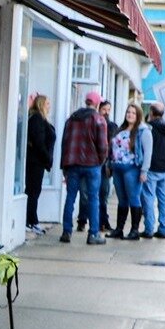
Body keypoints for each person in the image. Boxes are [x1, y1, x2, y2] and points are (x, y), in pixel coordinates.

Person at [59, 90, 110, 245]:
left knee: (70, 197)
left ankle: (66, 231)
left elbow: (65, 143)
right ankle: (93, 233)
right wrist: (101, 161)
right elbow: (103, 146)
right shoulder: (98, 120)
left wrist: (65, 166)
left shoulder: (72, 119)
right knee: (94, 198)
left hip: (73, 164)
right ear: (97, 104)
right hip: (92, 164)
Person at [108, 102, 148, 240]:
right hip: (117, 168)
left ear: (138, 116)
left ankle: (134, 230)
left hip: (132, 169)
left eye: (133, 113)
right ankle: (119, 229)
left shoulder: (143, 131)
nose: (130, 115)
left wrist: (144, 171)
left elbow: (148, 153)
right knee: (122, 199)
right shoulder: (120, 129)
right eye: (128, 112)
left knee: (133, 198)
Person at [140, 102, 165, 239]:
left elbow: (143, 148)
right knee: (164, 200)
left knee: (148, 198)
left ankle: (149, 228)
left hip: (151, 168)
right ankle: (163, 229)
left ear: (151, 112)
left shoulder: (149, 129)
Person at [77, 98, 116, 232]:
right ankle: (82, 219)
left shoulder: (112, 126)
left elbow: (112, 148)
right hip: (90, 163)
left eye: (108, 110)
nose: (106, 112)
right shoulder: (92, 122)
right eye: (104, 109)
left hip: (104, 165)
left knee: (102, 194)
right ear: (98, 109)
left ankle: (102, 222)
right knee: (85, 194)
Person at [24, 94, 55, 235]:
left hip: (38, 161)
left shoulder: (40, 119)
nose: (49, 106)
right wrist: (47, 158)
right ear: (41, 104)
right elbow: (39, 142)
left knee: (34, 191)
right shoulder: (37, 119)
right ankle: (31, 220)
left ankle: (31, 219)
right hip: (36, 161)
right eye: (47, 103)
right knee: (33, 191)